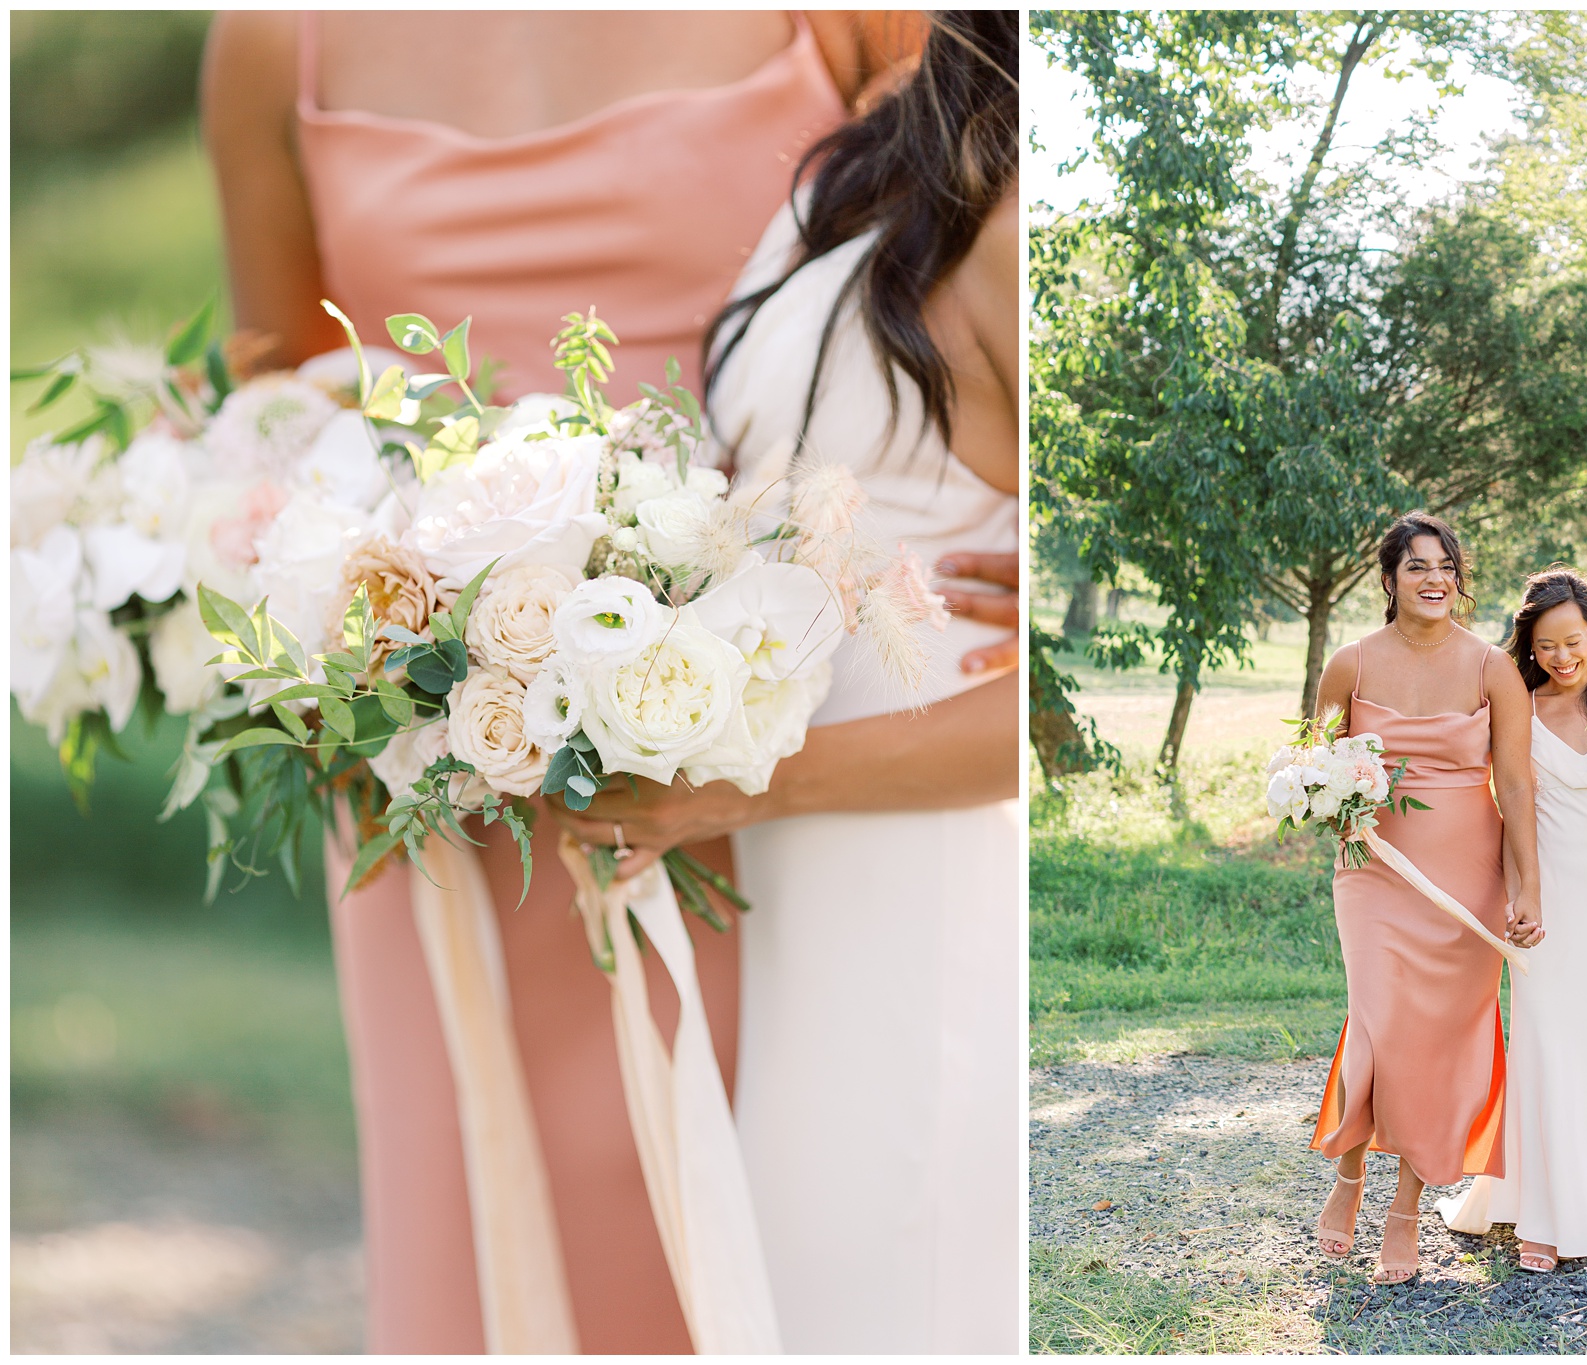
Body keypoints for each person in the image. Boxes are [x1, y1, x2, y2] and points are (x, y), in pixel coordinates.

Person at [201, 11, 940, 1352]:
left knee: (771, 1226)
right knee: (479, 1226)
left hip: (755, 736)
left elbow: (973, 262)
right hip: (436, 762)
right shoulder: (271, 43)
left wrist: (984, 533)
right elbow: (278, 401)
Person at [548, 11, 1021, 1351]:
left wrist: (737, 794)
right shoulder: (867, 150)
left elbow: (1054, 711)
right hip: (795, 895)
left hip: (925, 869)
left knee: (895, 1268)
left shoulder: (1023, 225)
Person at [1305, 512, 1544, 1284]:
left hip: (1465, 878)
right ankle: (1349, 1177)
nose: (1434, 578)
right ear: (1388, 579)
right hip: (1373, 873)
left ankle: (1404, 1210)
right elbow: (1313, 773)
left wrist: (1526, 885)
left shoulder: (1491, 670)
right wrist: (1335, 805)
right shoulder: (1349, 665)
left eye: (1445, 566)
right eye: (1416, 566)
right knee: (1378, 1021)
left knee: (1436, 1040)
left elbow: (1514, 784)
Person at [1436, 568, 1587, 1271]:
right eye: (1546, 645)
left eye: (1573, 641)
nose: (1561, 657)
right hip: (1538, 900)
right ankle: (1541, 1213)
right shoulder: (1515, 707)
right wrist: (1522, 891)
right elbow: (1508, 806)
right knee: (1545, 1044)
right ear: (1530, 646)